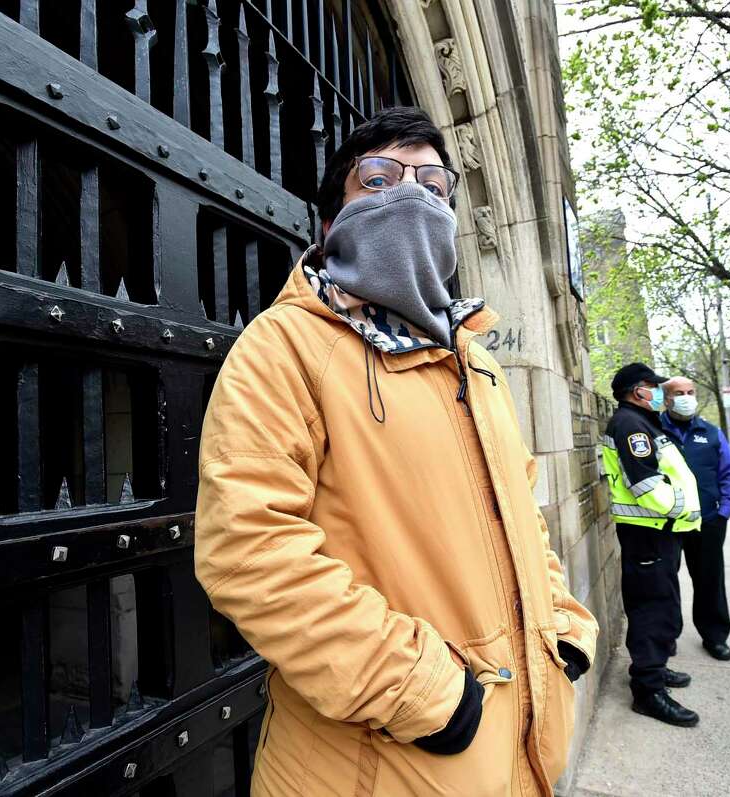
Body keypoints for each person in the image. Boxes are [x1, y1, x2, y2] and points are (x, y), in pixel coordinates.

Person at [194, 106, 599, 796]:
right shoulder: (284, 346)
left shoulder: (478, 363)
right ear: (331, 221)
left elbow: (522, 514)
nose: (411, 194)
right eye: (378, 176)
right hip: (379, 762)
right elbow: (248, 547)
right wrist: (423, 692)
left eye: (433, 183)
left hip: (519, 751)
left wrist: (561, 627)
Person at [603, 363, 702, 727]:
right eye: (653, 386)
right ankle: (647, 690)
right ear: (636, 391)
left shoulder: (644, 421)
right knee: (651, 608)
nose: (660, 392)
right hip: (649, 531)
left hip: (659, 530)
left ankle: (655, 670)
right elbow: (644, 484)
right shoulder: (631, 424)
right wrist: (681, 507)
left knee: (664, 603)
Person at [660, 377, 730, 662]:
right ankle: (667, 637)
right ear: (666, 399)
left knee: (709, 579)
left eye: (690, 392)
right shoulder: (655, 431)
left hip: (708, 520)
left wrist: (725, 510)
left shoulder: (710, 432)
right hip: (667, 522)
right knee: (666, 581)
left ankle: (715, 636)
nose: (686, 397)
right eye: (679, 393)